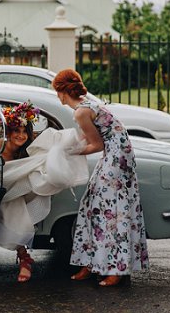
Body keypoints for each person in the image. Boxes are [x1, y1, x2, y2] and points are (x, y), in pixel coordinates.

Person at [52, 68, 149, 287]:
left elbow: (96, 144)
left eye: (57, 91)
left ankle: (117, 269)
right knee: (91, 206)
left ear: (62, 91)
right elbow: (92, 138)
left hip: (116, 158)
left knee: (110, 212)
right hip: (116, 155)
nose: (57, 96)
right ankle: (92, 263)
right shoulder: (85, 104)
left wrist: (68, 152)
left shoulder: (81, 112)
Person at [0, 101, 89, 283]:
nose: (21, 135)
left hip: (17, 193)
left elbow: (30, 167)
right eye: (16, 131)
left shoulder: (27, 151)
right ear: (7, 132)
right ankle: (24, 257)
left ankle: (24, 257)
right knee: (11, 205)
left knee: (15, 203)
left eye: (24, 132)